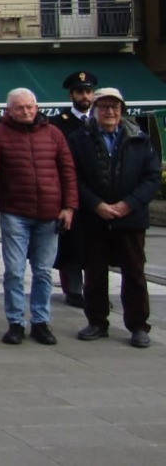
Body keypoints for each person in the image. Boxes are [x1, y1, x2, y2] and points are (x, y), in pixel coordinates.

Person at [0, 88, 77, 346]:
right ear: (10, 110)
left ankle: (40, 321)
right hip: (15, 213)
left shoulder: (54, 134)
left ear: (36, 107)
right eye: (20, 108)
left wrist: (70, 207)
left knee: (42, 272)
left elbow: (68, 172)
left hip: (50, 214)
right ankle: (15, 322)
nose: (26, 111)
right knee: (14, 272)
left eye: (30, 107)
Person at [67, 88, 159, 348]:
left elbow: (151, 177)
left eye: (114, 107)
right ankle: (97, 321)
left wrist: (128, 204)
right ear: (95, 109)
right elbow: (73, 176)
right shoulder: (79, 138)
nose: (110, 112)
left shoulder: (139, 138)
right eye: (104, 107)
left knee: (135, 273)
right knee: (95, 273)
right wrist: (96, 204)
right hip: (94, 217)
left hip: (130, 218)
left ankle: (138, 325)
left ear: (122, 110)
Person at [53, 70, 98, 309]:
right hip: (69, 193)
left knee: (96, 247)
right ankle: (73, 290)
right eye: (80, 91)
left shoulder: (101, 121)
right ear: (71, 94)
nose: (84, 96)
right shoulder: (59, 123)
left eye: (88, 91)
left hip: (98, 195)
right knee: (71, 244)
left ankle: (95, 291)